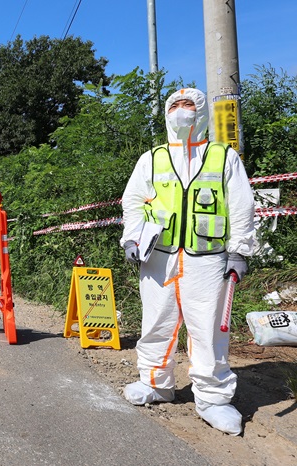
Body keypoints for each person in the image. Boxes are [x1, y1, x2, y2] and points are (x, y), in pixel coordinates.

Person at [120, 88, 255, 435]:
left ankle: (213, 398)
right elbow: (133, 201)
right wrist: (132, 238)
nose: (181, 112)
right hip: (158, 256)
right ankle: (155, 384)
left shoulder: (223, 157)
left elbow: (241, 205)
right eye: (175, 106)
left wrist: (239, 250)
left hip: (208, 260)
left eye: (189, 105)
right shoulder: (152, 158)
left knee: (207, 329)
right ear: (166, 115)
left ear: (201, 113)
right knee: (156, 323)